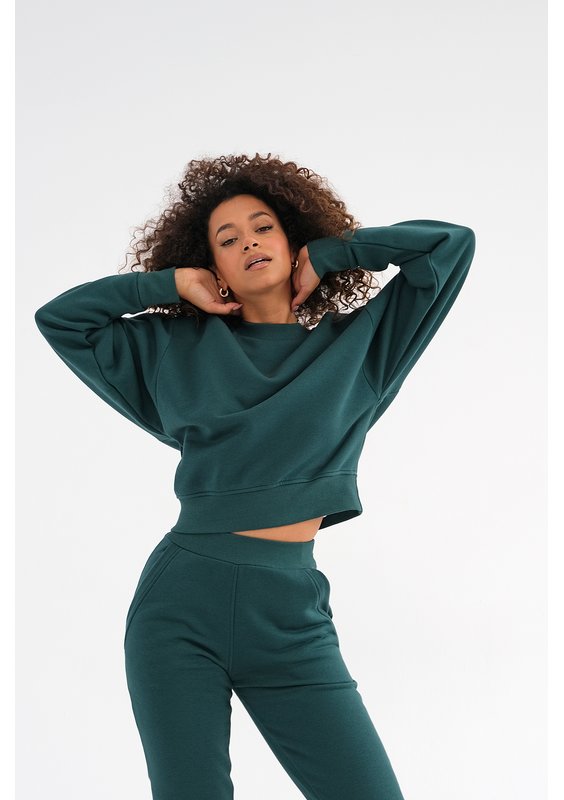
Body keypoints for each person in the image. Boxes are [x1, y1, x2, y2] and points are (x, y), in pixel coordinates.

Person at [34, 152, 476, 799]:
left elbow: (449, 247)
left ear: (292, 239)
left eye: (263, 227)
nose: (249, 243)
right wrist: (168, 286)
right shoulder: (172, 349)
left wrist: (337, 252)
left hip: (291, 617)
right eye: (227, 239)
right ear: (211, 266)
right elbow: (62, 320)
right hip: (182, 606)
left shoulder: (361, 347)